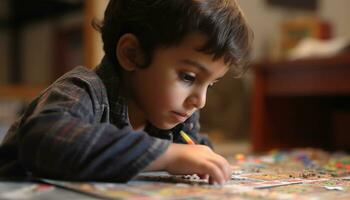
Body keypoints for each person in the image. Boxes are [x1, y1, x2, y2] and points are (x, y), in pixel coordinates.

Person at [0, 0, 252, 185]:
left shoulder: (174, 114)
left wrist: (201, 157)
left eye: (211, 84)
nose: (200, 101)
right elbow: (46, 141)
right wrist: (166, 154)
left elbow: (190, 149)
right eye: (188, 77)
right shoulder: (83, 89)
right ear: (132, 54)